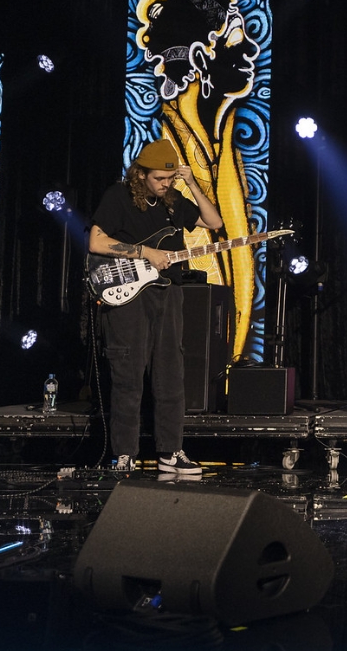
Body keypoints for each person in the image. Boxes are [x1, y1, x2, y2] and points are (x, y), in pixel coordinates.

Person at [89, 139, 223, 475]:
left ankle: (171, 450)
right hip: (128, 292)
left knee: (170, 373)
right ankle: (124, 454)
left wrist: (191, 182)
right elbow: (96, 241)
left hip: (169, 292)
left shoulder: (174, 200)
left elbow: (214, 222)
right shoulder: (118, 196)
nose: (165, 185)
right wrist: (145, 252)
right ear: (141, 174)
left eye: (169, 178)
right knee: (128, 373)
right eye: (158, 179)